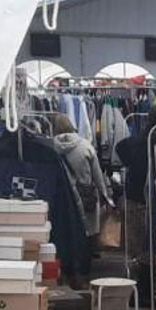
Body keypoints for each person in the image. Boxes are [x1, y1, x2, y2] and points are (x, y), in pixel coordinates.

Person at [115, 104, 156, 280]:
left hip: (134, 198)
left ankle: (139, 286)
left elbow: (120, 147)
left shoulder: (138, 140)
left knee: (138, 246)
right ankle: (144, 287)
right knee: (146, 245)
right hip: (144, 201)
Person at [50, 112, 111, 280]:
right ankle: (83, 271)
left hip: (62, 197)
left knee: (66, 231)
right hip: (86, 196)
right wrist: (106, 195)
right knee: (87, 234)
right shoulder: (86, 146)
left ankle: (66, 268)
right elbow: (97, 174)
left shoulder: (50, 147)